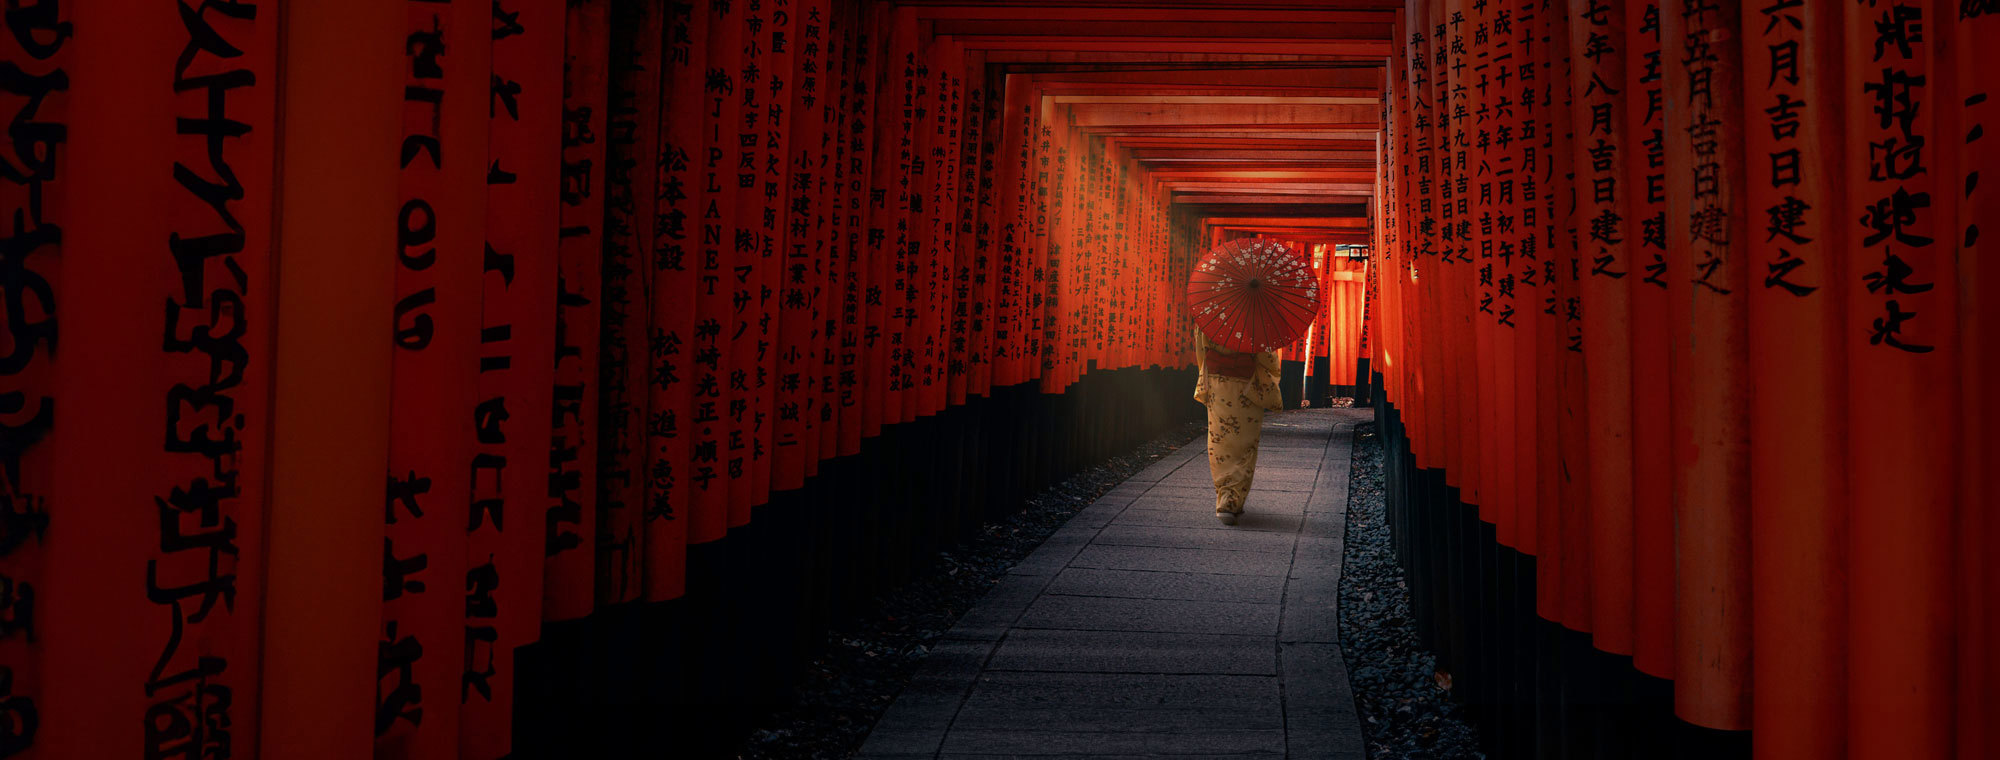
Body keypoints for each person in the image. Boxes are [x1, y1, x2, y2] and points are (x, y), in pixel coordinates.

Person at [1192, 328, 1283, 525]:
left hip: (1217, 384)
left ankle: (1224, 495)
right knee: (1245, 443)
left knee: (1220, 440)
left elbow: (1201, 350)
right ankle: (1234, 499)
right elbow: (1267, 358)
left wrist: (1206, 374)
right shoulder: (1256, 319)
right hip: (1247, 385)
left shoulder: (1210, 316)